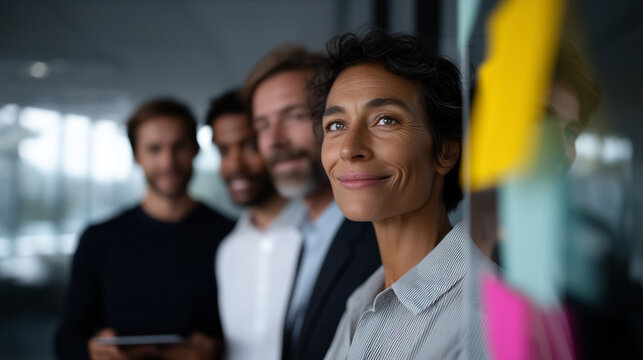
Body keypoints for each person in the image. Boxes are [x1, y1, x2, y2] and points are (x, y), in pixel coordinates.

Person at [311, 31, 496, 359]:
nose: (350, 149)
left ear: (445, 151)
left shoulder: (485, 320)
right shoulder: (363, 301)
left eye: (385, 120)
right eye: (336, 125)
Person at [55, 98, 234, 360]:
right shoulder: (99, 239)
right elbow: (66, 340)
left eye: (178, 146)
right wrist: (92, 351)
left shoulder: (231, 236)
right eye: (154, 149)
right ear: (136, 155)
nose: (168, 162)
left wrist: (216, 350)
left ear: (196, 148)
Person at [244, 45, 381, 360]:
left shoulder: (380, 237)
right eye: (263, 125)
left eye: (293, 115)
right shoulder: (285, 236)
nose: (275, 139)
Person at [206, 89, 306, 360]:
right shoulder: (228, 250)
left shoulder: (317, 238)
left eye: (249, 146)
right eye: (223, 150)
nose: (234, 164)